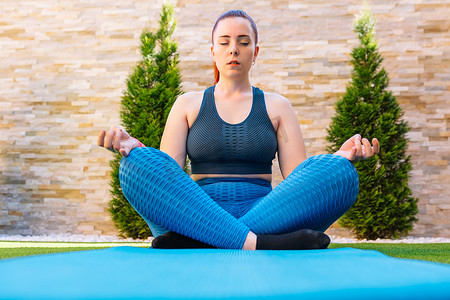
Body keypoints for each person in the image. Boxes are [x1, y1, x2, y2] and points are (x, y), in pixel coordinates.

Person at [97, 10, 379, 250]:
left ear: (255, 53)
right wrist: (138, 151)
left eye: (243, 43)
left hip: (268, 214)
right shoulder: (187, 104)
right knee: (135, 166)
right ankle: (261, 243)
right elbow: (168, 178)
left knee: (341, 173)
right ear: (213, 51)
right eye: (225, 42)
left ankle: (207, 241)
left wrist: (340, 157)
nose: (234, 49)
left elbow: (298, 182)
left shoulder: (277, 106)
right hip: (194, 212)